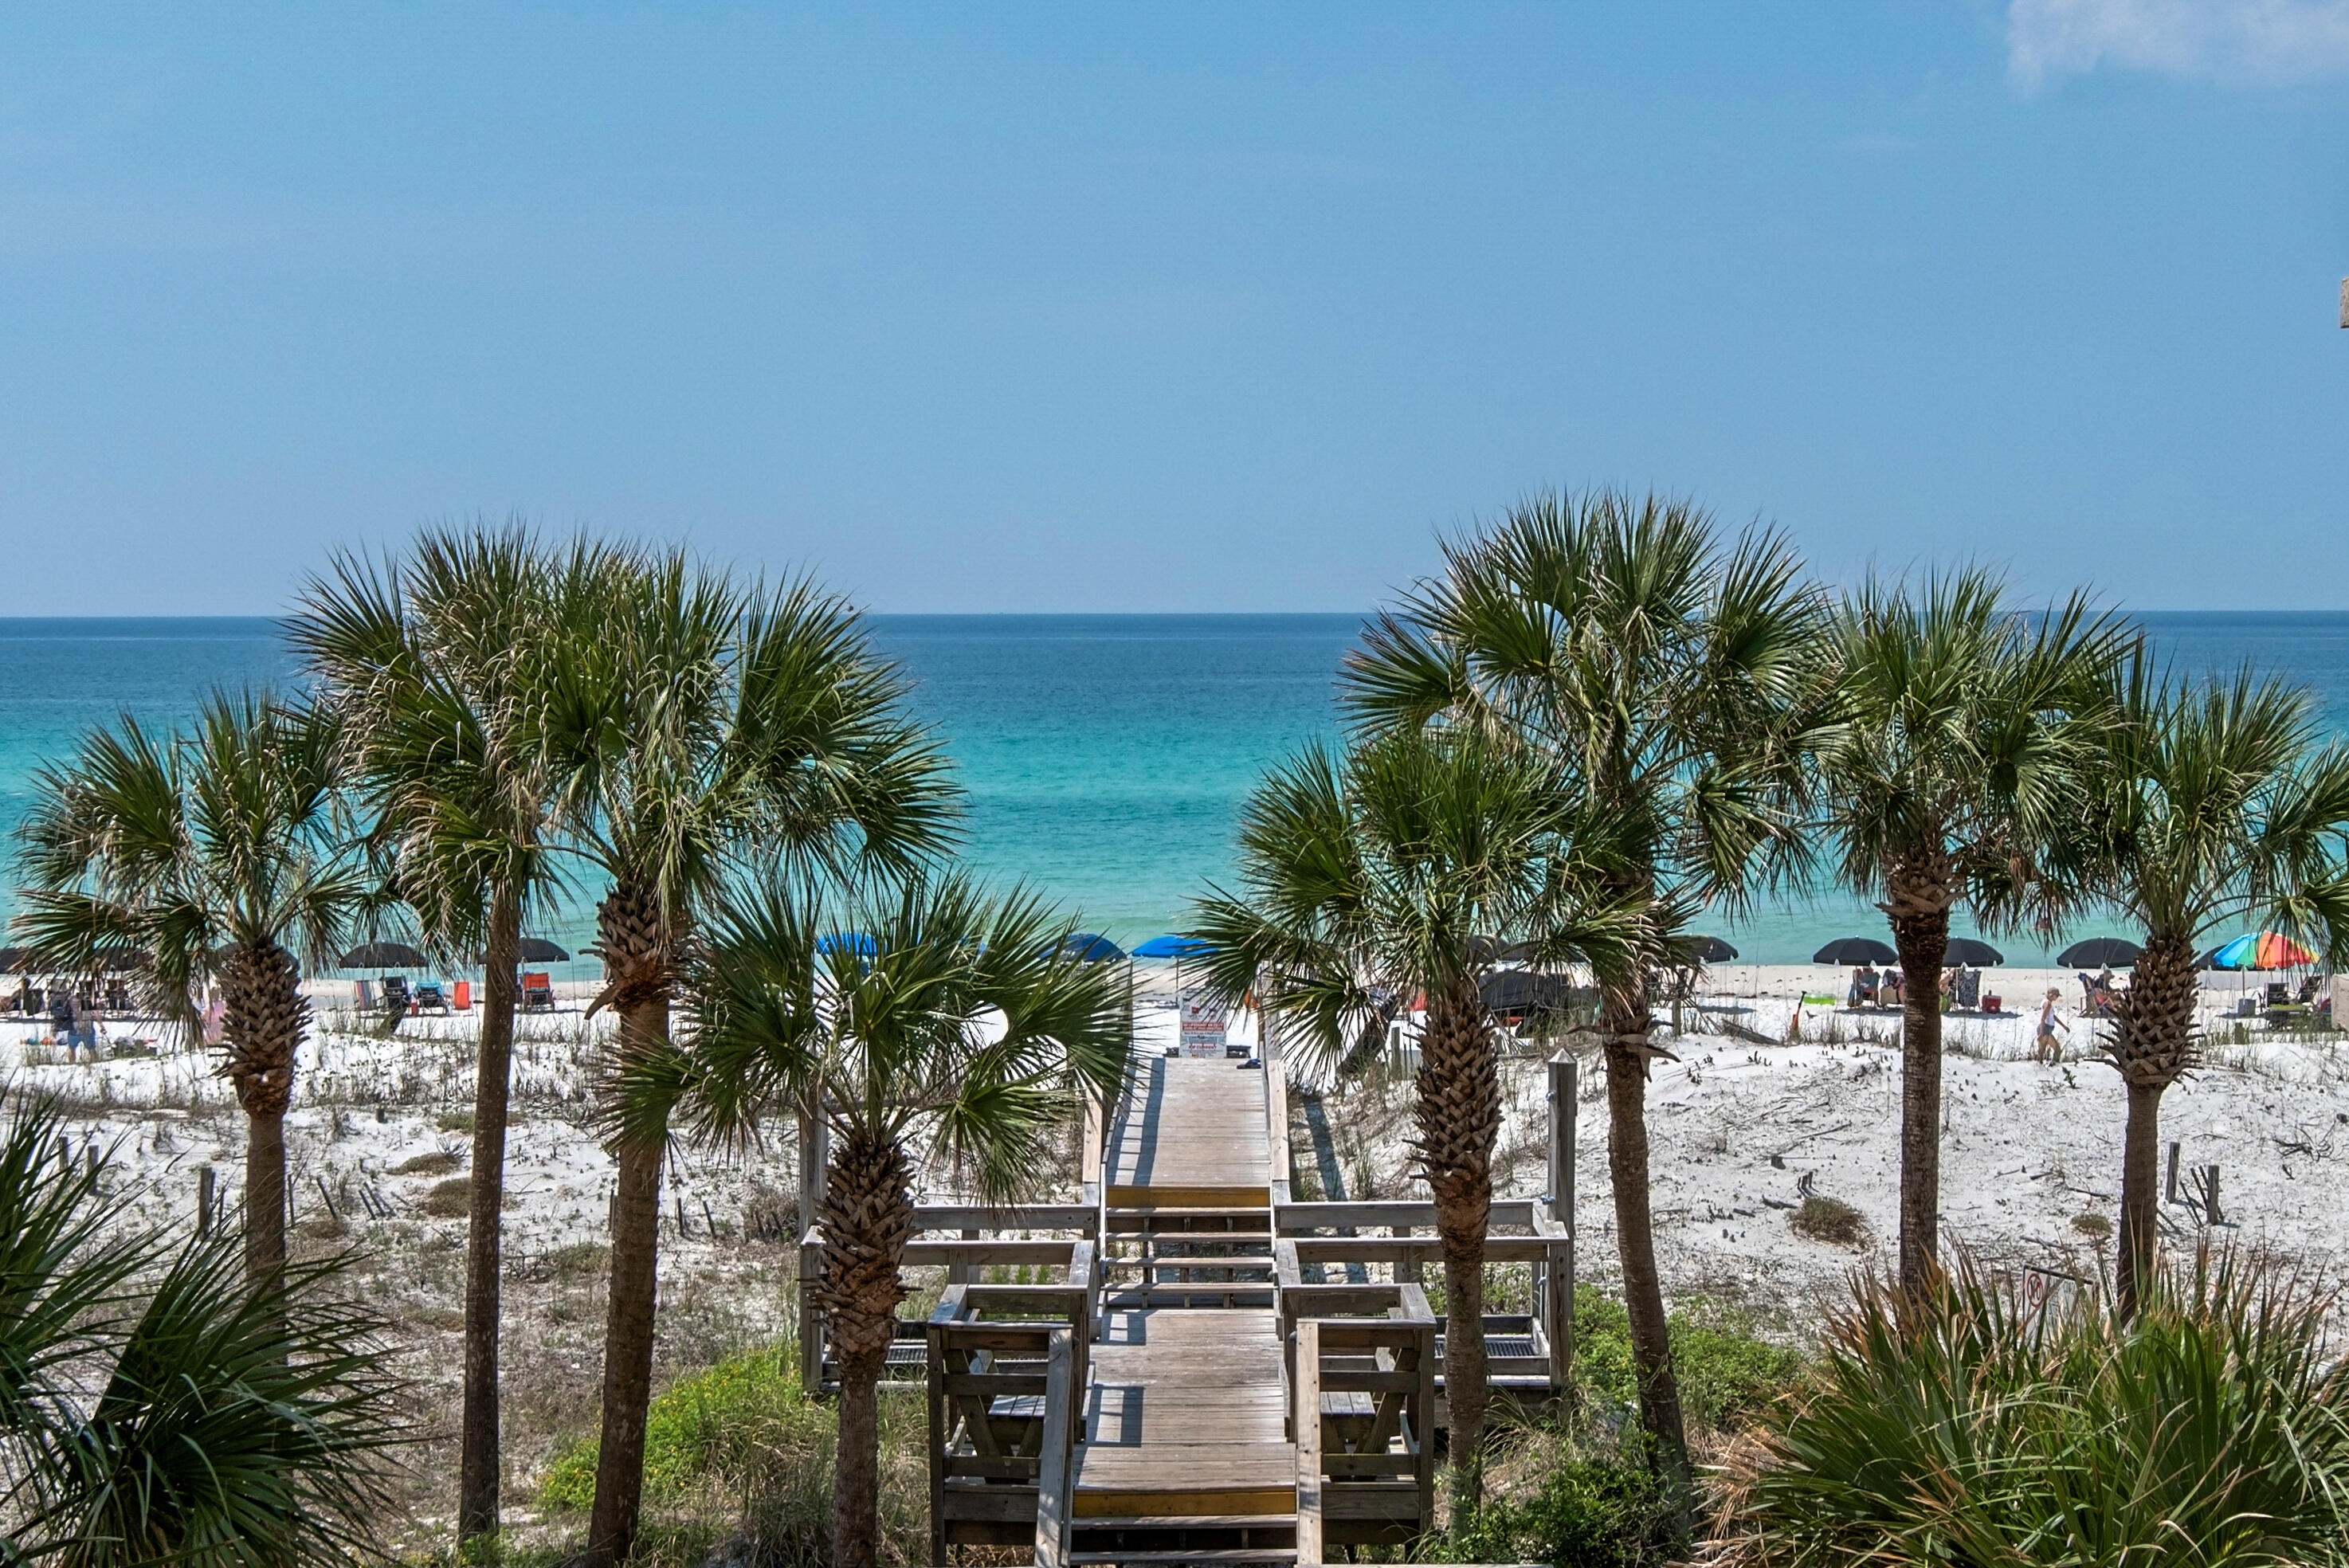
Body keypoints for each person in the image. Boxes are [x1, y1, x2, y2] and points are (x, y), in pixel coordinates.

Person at [2035, 988, 2070, 1063]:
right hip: (2045, 1030)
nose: (2057, 998)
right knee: (2056, 1050)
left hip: (2046, 1029)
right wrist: (2041, 1034)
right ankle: (2054, 1065)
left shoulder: (2047, 1002)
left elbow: (2053, 1016)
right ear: (2052, 995)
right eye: (2057, 996)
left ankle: (2041, 1067)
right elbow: (2043, 1018)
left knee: (2041, 1053)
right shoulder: (2048, 1004)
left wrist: (2064, 1026)